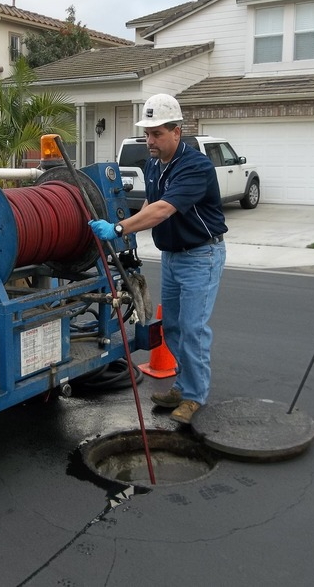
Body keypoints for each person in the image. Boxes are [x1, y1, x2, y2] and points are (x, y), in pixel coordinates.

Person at [89, 93, 226, 424]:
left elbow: (164, 209)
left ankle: (194, 396)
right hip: (173, 257)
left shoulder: (196, 167)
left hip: (201, 256)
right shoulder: (152, 165)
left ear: (176, 131)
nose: (149, 140)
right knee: (174, 327)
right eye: (147, 133)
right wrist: (127, 231)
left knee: (193, 328)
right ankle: (184, 384)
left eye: (157, 133)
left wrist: (119, 228)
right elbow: (151, 204)